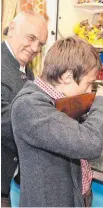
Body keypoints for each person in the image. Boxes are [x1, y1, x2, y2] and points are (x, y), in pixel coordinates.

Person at [10, 36, 103, 207]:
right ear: (68, 76)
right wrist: (100, 102)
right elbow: (90, 144)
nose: (89, 90)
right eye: (88, 83)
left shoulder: (62, 99)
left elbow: (94, 134)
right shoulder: (30, 105)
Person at [1, 11, 48, 204]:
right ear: (12, 29)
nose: (35, 47)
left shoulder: (26, 72)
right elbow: (4, 123)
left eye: (41, 44)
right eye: (31, 38)